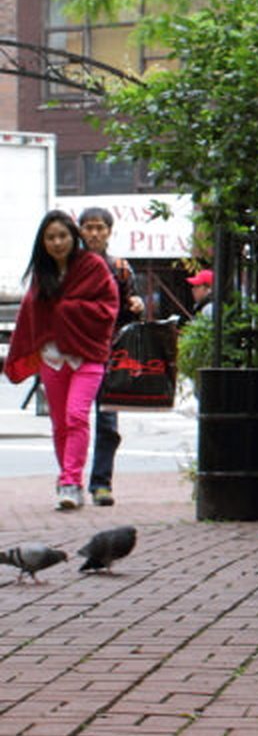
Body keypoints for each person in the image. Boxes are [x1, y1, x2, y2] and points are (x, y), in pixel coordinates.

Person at [4, 211, 120, 511]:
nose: (57, 242)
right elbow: (31, 313)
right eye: (50, 237)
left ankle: (70, 482)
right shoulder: (40, 274)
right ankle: (68, 478)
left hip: (87, 355)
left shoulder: (93, 266)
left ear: (73, 236)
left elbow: (109, 306)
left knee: (76, 416)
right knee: (59, 424)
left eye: (62, 236)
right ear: (42, 242)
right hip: (52, 358)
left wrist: (66, 310)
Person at [77, 207, 145, 506]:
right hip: (74, 353)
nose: (94, 233)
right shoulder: (69, 266)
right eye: (89, 227)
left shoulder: (120, 268)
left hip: (108, 353)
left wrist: (138, 305)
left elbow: (131, 312)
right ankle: (70, 481)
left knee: (107, 423)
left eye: (100, 228)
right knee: (72, 422)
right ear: (80, 230)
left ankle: (101, 484)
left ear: (109, 231)